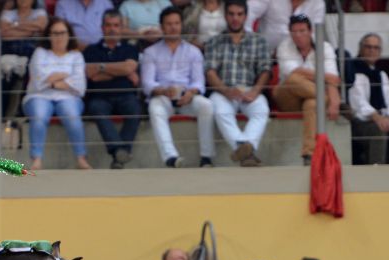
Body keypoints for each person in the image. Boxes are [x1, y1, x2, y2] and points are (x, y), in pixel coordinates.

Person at [141, 6, 215, 168]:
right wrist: (163, 90)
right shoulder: (151, 52)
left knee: (207, 106)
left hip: (187, 98)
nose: (173, 27)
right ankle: (171, 157)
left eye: (176, 23)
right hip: (163, 97)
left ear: (181, 25)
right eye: (169, 24)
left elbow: (198, 82)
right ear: (162, 27)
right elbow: (147, 83)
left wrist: (191, 93)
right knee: (155, 107)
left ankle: (206, 157)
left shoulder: (193, 52)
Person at [204, 0, 270, 167]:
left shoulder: (258, 41)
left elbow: (265, 70)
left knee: (262, 108)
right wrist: (226, 91)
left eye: (239, 14)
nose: (235, 18)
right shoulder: (214, 41)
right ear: (225, 16)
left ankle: (243, 148)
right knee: (219, 110)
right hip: (223, 91)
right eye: (231, 14)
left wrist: (255, 91)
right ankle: (246, 150)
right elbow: (210, 72)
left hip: (249, 90)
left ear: (245, 16)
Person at [21, 18, 91, 171]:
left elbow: (80, 85)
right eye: (55, 33)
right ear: (49, 35)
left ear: (69, 35)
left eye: (63, 33)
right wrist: (65, 75)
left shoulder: (76, 55)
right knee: (39, 116)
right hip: (39, 96)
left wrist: (52, 80)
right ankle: (36, 159)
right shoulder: (40, 53)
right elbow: (38, 78)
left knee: (73, 117)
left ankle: (81, 158)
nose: (59, 37)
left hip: (68, 97)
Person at [272, 14, 340, 166]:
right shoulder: (284, 46)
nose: (298, 35)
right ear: (290, 33)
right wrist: (324, 78)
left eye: (302, 31)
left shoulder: (325, 47)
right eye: (294, 32)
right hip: (288, 96)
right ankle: (323, 98)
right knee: (293, 79)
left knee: (312, 104)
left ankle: (308, 154)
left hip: (311, 97)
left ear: (310, 32)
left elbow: (333, 79)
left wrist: (334, 99)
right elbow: (293, 73)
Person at [83, 9, 140, 169]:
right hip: (100, 96)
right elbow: (91, 75)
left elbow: (129, 68)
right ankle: (120, 151)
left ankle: (118, 155)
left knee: (135, 109)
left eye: (116, 25)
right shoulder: (91, 50)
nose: (112, 29)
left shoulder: (130, 49)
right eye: (108, 25)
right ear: (102, 28)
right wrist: (121, 71)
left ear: (121, 28)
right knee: (96, 108)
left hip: (125, 95)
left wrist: (102, 67)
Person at [348, 33, 389, 166]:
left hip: (380, 119)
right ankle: (377, 169)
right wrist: (377, 117)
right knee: (378, 129)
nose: (372, 50)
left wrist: (388, 117)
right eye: (368, 47)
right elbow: (357, 100)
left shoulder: (381, 74)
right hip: (358, 122)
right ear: (360, 49)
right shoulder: (353, 70)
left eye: (376, 48)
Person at [0, 0, 48, 118]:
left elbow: (41, 26)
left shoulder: (39, 12)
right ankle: (1, 116)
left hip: (31, 52)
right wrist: (30, 30)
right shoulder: (8, 13)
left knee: (32, 73)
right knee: (6, 76)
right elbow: (4, 33)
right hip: (9, 51)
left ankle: (22, 111)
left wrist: (14, 25)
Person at [244, 0, 324, 53]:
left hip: (300, 55)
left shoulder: (318, 3)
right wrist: (251, 44)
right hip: (266, 56)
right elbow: (246, 13)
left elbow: (315, 35)